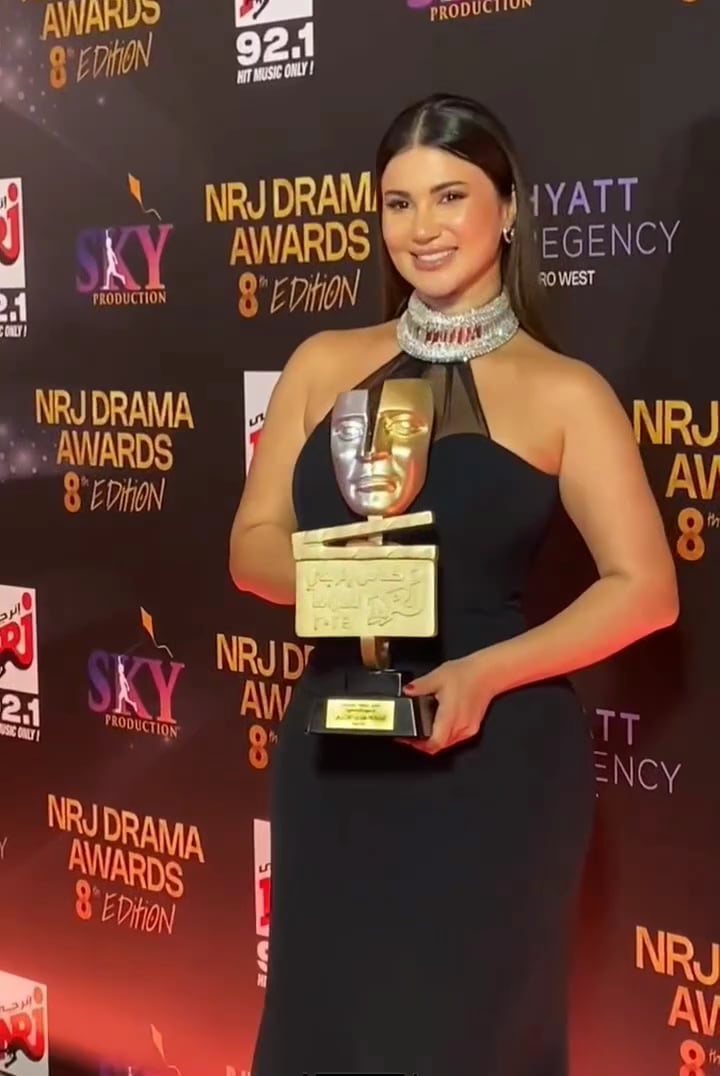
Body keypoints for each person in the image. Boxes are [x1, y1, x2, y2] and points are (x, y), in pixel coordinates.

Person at [229, 93, 679, 1075]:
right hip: (339, 747)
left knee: (464, 1038)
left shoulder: (565, 391)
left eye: (449, 196)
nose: (422, 227)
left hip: (495, 761)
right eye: (398, 203)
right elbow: (253, 547)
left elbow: (645, 588)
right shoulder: (324, 364)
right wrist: (355, 584)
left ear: (507, 209)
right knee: (325, 1032)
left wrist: (485, 672)